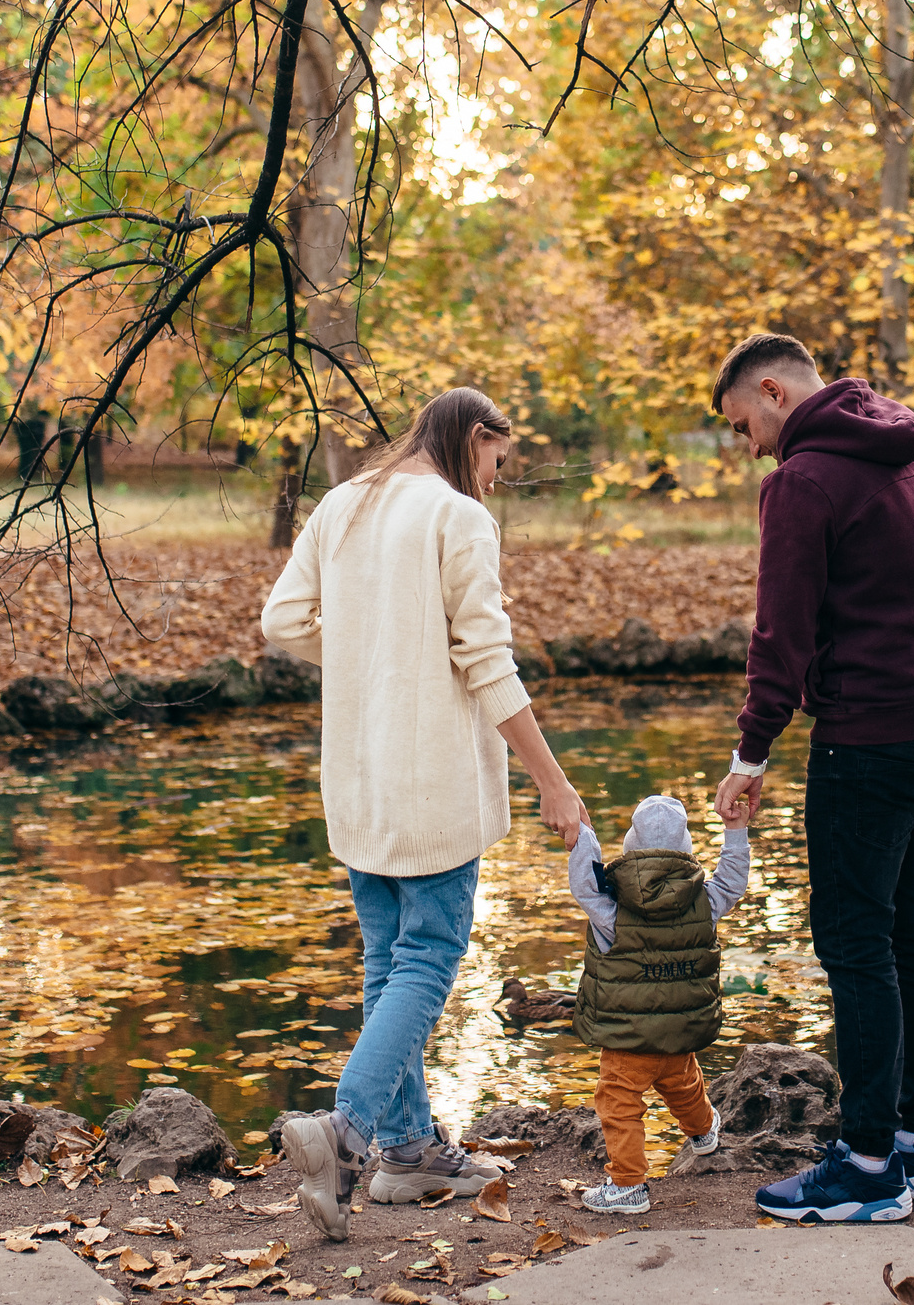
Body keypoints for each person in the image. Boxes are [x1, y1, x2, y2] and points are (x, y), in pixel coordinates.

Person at [260, 387, 589, 1242]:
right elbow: (487, 659)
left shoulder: (342, 504)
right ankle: (347, 1132)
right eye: (498, 460)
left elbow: (282, 619)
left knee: (386, 961)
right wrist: (552, 782)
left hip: (359, 784)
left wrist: (366, 648)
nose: (495, 479)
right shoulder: (457, 517)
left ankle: (406, 1155)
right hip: (431, 783)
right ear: (476, 438)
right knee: (429, 957)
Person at [707, 333, 914, 1223]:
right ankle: (913, 1142)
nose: (750, 446)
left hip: (867, 739)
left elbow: (780, 634)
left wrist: (751, 755)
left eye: (746, 424)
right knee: (913, 934)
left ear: (775, 391)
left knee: (856, 944)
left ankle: (864, 1166)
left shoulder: (803, 481)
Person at [567, 793, 752, 1215]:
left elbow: (584, 885)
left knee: (619, 1104)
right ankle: (704, 1132)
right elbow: (733, 880)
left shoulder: (612, 910)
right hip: (679, 1032)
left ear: (632, 845)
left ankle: (628, 1186)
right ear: (686, 847)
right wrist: (736, 831)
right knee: (681, 1082)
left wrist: (585, 836)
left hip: (626, 1040)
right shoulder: (705, 901)